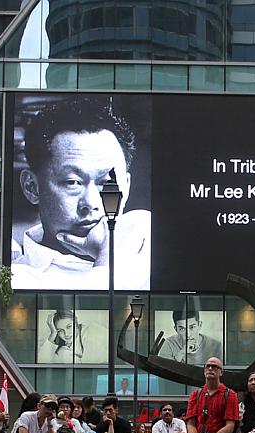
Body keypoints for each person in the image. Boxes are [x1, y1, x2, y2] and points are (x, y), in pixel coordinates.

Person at [10, 96, 151, 290]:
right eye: (73, 182)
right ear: (31, 187)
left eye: (107, 184)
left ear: (125, 187)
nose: (91, 203)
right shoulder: (17, 278)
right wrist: (108, 259)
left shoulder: (150, 247)